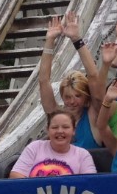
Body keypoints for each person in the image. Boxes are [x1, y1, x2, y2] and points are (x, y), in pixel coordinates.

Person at [37, 12, 104, 149]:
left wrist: (76, 39)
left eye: (78, 96)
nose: (72, 102)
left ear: (86, 97)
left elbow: (93, 75)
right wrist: (50, 41)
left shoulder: (93, 115)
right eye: (67, 97)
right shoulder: (57, 116)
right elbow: (44, 81)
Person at [10, 110, 97, 177]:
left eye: (65, 127)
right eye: (55, 127)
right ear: (48, 130)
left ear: (74, 130)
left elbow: (90, 183)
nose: (60, 131)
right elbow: (15, 175)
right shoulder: (34, 147)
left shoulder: (83, 155)